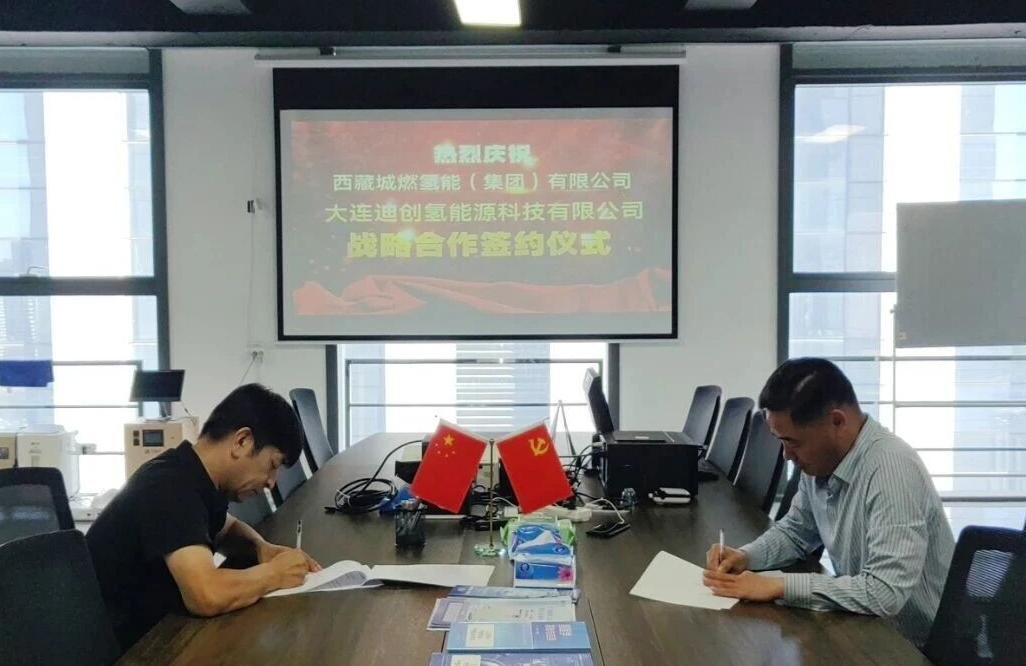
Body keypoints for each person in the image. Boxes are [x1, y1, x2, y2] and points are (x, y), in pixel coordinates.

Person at [703, 358, 955, 647]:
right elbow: (795, 532)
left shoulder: (891, 470)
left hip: (916, 647)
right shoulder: (823, 461)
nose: (786, 455)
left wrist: (778, 586)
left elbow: (884, 593)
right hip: (866, 628)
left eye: (793, 442)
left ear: (837, 422)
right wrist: (746, 556)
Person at [87, 383, 322, 651]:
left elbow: (226, 527)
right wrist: (274, 574)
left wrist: (261, 548)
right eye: (272, 465)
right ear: (242, 441)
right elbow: (206, 594)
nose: (271, 482)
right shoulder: (169, 486)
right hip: (124, 649)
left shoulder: (196, 476)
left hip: (158, 630)